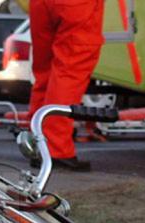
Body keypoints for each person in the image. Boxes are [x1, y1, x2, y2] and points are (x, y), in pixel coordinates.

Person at [28, 0, 105, 171]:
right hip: (75, 5)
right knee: (69, 72)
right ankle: (55, 150)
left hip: (41, 4)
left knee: (45, 74)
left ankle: (38, 146)